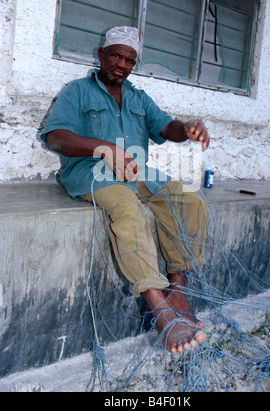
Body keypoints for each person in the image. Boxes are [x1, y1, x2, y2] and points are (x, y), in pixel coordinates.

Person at [41, 26, 210, 354]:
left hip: (139, 173)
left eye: (129, 59)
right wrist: (102, 147)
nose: (121, 64)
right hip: (93, 174)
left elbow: (167, 128)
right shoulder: (76, 91)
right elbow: (54, 136)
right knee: (127, 207)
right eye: (115, 55)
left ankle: (177, 289)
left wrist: (187, 127)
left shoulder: (138, 97)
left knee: (188, 200)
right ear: (101, 55)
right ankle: (159, 307)